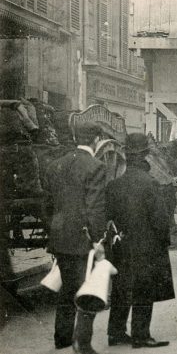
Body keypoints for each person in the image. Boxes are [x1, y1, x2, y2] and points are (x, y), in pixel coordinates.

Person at [105, 133, 174, 349]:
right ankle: (141, 335)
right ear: (145, 156)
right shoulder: (150, 183)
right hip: (147, 247)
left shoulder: (114, 185)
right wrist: (164, 242)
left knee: (121, 288)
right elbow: (161, 221)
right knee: (144, 290)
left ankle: (115, 333)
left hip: (121, 246)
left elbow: (107, 217)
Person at [44, 122, 107, 354]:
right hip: (83, 238)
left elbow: (48, 205)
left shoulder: (55, 165)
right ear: (97, 140)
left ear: (74, 136)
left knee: (67, 287)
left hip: (60, 236)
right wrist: (98, 241)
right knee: (87, 289)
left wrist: (54, 228)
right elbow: (95, 208)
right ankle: (82, 343)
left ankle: (61, 337)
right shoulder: (96, 166)